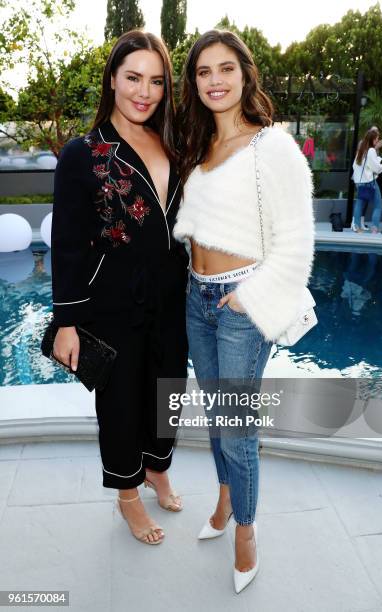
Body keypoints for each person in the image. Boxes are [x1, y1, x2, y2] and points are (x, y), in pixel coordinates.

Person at [174, 29, 314, 593]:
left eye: (225, 68)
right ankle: (225, 499)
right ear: (195, 82)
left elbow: (297, 243)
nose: (215, 80)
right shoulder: (199, 148)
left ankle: (246, 530)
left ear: (244, 74)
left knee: (237, 430)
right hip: (195, 296)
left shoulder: (271, 146)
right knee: (217, 418)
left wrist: (250, 297)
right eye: (204, 71)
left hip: (240, 303)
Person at [51, 31, 189, 545]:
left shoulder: (174, 143)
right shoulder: (81, 153)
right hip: (110, 302)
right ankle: (128, 495)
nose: (144, 91)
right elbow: (66, 244)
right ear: (112, 79)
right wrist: (67, 322)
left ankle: (156, 468)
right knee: (121, 403)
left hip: (172, 294)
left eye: (156, 81)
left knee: (168, 390)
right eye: (133, 77)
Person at [352, 128, 382, 234]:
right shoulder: (371, 150)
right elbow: (376, 167)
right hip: (370, 182)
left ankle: (357, 227)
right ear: (373, 139)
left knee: (359, 204)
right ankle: (374, 229)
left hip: (359, 182)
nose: (377, 141)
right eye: (376, 139)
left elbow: (354, 166)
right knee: (378, 205)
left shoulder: (362, 149)